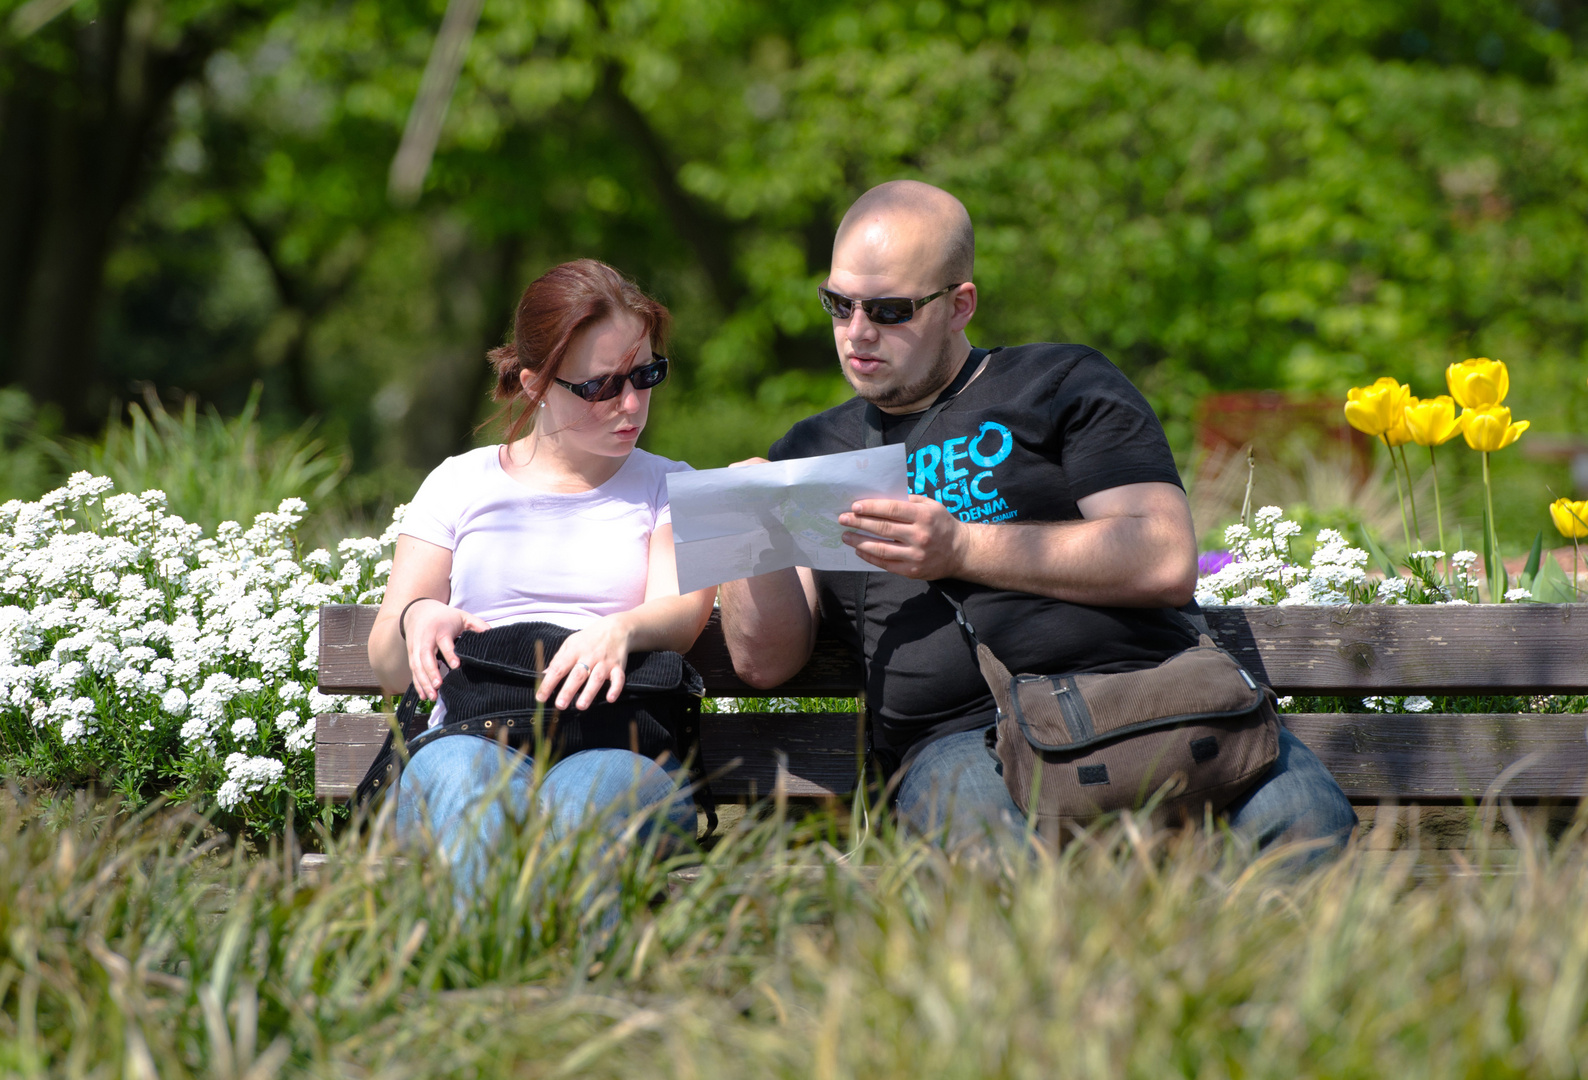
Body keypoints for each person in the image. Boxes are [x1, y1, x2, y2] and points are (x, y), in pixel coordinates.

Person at [720, 181, 1357, 858]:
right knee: (996, 865)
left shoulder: (1059, 382)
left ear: (960, 304)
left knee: (1309, 827)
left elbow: (1163, 555)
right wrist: (746, 530)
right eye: (838, 304)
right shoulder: (811, 456)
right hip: (963, 742)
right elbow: (765, 662)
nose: (857, 332)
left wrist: (960, 548)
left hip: (1152, 700)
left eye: (889, 309)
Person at [368, 259, 715, 897]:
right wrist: (419, 615)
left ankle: (524, 987)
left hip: (622, 751)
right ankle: (504, 987)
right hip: (469, 741)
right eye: (602, 386)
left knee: (586, 797)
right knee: (467, 782)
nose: (632, 405)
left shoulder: (672, 485)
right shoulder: (459, 483)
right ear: (534, 385)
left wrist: (622, 631)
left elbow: (684, 615)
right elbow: (388, 666)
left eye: (647, 375)